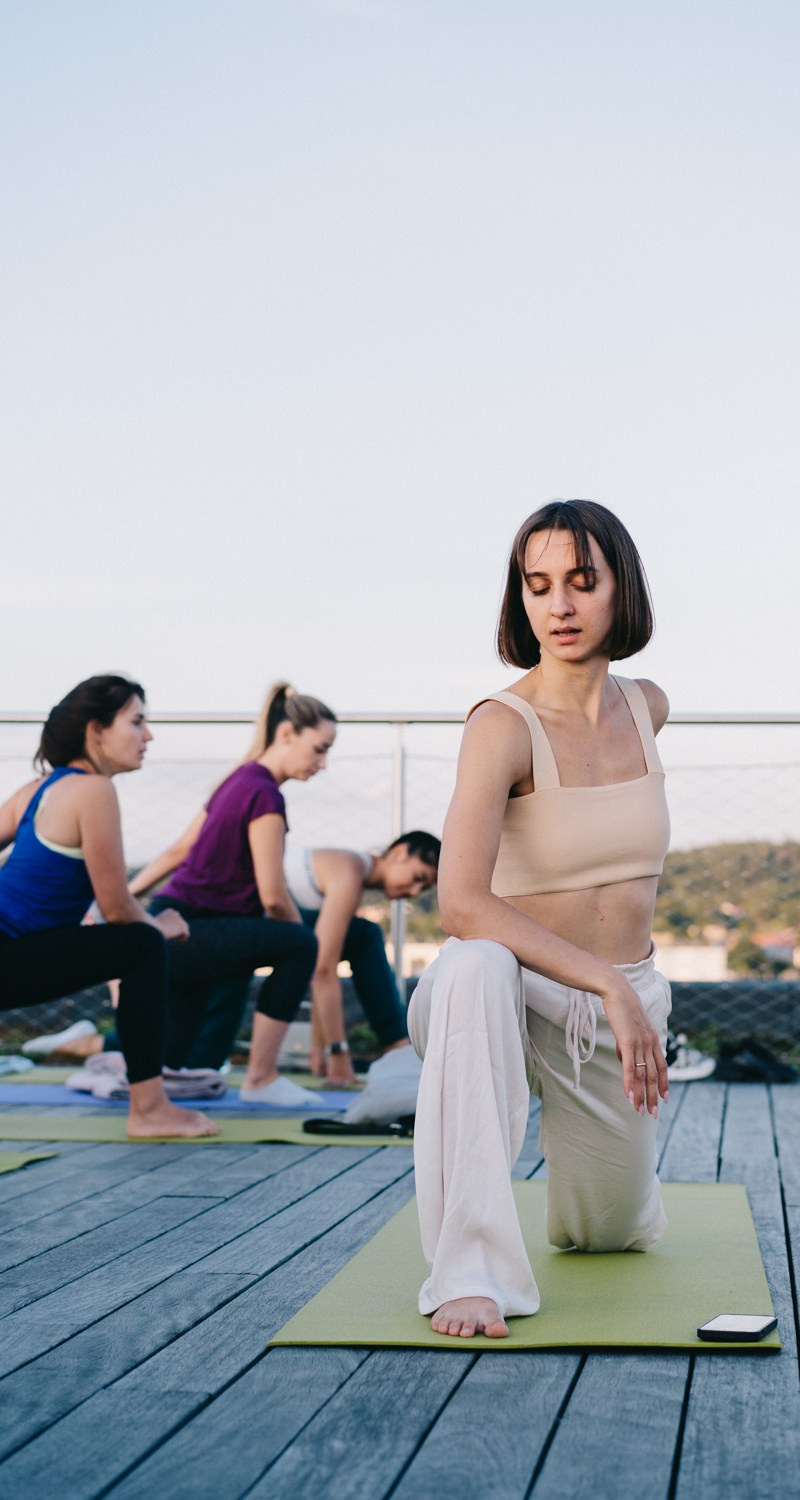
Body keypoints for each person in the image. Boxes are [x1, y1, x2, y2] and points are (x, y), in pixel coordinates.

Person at [409, 499, 673, 1339]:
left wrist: (618, 988)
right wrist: (598, 976)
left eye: (581, 582)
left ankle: (588, 1183)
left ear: (619, 589)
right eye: (538, 585)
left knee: (608, 1236)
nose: (558, 606)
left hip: (614, 1003)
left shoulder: (650, 707)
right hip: (507, 988)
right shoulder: (501, 726)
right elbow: (460, 905)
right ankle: (468, 1274)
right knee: (474, 961)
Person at [0, 675, 217, 1139]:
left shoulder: (35, 791)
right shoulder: (92, 790)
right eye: (137, 722)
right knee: (139, 944)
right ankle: (150, 1108)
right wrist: (162, 927)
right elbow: (118, 908)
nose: (148, 736)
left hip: (13, 951)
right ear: (96, 729)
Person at [127, 682, 337, 1106]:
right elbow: (274, 896)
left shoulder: (236, 780)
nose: (323, 762)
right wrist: (304, 950)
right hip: (193, 931)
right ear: (286, 734)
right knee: (298, 943)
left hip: (175, 925)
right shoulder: (264, 794)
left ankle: (113, 1064)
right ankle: (261, 1077)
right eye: (319, 748)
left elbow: (178, 851)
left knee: (173, 1060)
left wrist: (124, 899)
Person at [185, 831, 441, 1083]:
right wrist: (338, 1054)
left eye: (425, 888)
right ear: (398, 853)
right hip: (228, 922)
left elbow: (322, 961)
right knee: (365, 935)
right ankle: (398, 1046)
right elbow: (323, 969)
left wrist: (320, 1049)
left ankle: (396, 1046)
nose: (415, 890)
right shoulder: (349, 869)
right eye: (419, 877)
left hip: (249, 924)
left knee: (361, 935)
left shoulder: (353, 876)